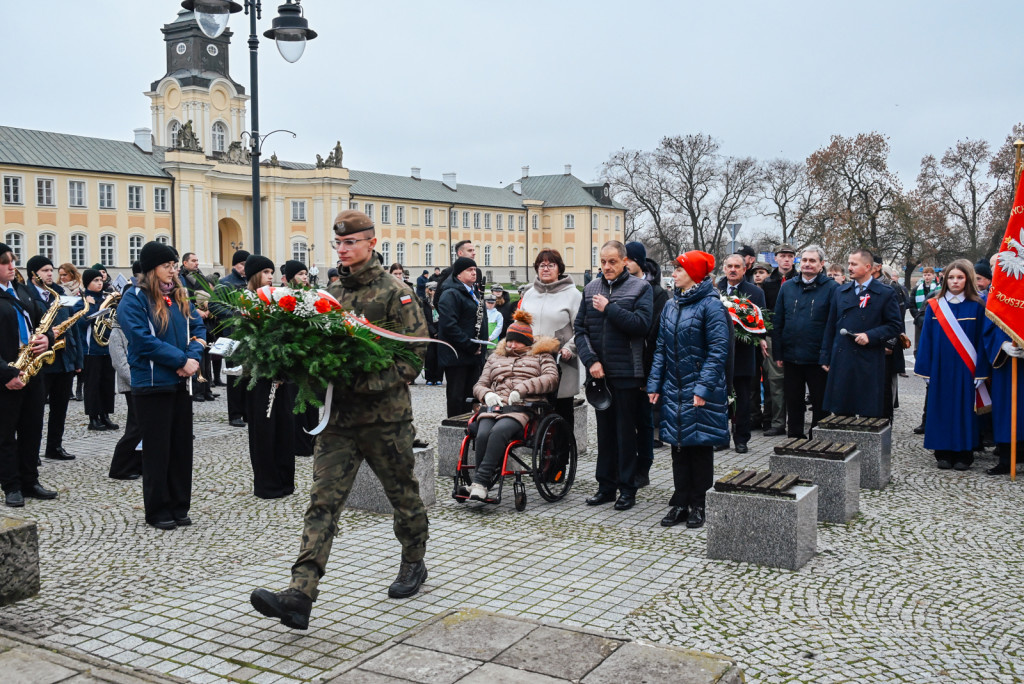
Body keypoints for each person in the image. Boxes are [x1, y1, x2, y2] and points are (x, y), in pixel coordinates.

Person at [249, 209, 430, 631]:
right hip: (338, 422)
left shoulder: (396, 293)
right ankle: (300, 594)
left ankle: (414, 561)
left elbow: (414, 357)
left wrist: (361, 379)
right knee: (322, 502)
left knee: (403, 496)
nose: (343, 250)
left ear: (371, 243)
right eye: (339, 243)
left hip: (386, 421)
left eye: (351, 242)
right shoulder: (329, 292)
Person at [116, 241, 205, 528]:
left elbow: (198, 328)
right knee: (157, 451)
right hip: (152, 384)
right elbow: (143, 341)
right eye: (167, 266)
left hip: (180, 383)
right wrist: (180, 360)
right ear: (152, 268)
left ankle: (180, 505)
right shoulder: (135, 298)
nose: (172, 271)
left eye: (174, 265)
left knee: (181, 448)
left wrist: (192, 357)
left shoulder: (180, 295)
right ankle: (158, 509)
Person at [647, 250, 729, 529]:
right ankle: (680, 501)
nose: (674, 274)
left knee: (700, 446)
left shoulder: (711, 305)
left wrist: (703, 388)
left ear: (694, 274)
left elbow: (718, 350)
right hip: (674, 386)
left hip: (700, 388)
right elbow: (661, 348)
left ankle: (700, 503)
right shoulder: (672, 305)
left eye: (679, 270)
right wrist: (655, 384)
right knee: (678, 444)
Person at [575, 240, 653, 511]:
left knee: (625, 434)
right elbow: (580, 330)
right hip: (599, 373)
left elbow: (641, 326)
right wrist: (591, 360)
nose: (607, 267)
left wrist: (609, 308)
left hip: (627, 373)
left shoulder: (640, 288)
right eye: (603, 262)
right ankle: (605, 486)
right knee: (605, 434)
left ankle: (627, 488)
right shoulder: (590, 288)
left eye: (612, 262)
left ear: (624, 262)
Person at [466, 311, 560, 500]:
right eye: (509, 340)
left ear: (527, 342)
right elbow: (480, 384)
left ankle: (480, 482)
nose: (511, 345)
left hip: (523, 407)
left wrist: (523, 388)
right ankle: (481, 482)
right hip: (494, 406)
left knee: (499, 432)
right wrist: (487, 394)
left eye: (517, 341)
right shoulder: (495, 358)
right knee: (483, 433)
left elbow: (551, 378)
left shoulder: (542, 356)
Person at [0, 243, 58, 508]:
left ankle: (30, 480)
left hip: (32, 371)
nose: (12, 266)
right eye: (4, 262)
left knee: (32, 428)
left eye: (12, 260)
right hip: (7, 376)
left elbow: (42, 324)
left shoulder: (22, 291)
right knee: (5, 434)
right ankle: (11, 486)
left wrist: (47, 339)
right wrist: (7, 373)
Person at [915, 260, 986, 470]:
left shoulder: (978, 306)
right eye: (951, 277)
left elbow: (983, 340)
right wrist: (925, 369)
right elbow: (926, 338)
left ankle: (964, 453)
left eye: (960, 277)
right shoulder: (934, 306)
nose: (955, 281)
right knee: (941, 408)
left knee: (964, 409)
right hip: (940, 368)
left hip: (967, 368)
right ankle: (943, 452)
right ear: (945, 279)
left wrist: (981, 370)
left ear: (968, 279)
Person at [820, 249, 903, 418]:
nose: (849, 267)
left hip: (869, 359)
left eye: (853, 264)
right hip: (843, 357)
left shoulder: (885, 293)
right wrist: (825, 355)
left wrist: (870, 335)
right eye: (848, 263)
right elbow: (831, 326)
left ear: (867, 267)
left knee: (869, 411)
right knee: (842, 410)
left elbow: (894, 325)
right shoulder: (840, 291)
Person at [243, 254, 298, 499]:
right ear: (255, 275)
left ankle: (285, 480)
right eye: (266, 272)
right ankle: (267, 483)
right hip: (260, 377)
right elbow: (249, 342)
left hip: (282, 374)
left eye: (271, 272)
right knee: (265, 431)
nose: (270, 277)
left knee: (285, 428)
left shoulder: (276, 299)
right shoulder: (246, 301)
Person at [772, 246, 838, 438]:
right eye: (805, 260)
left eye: (812, 261)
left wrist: (828, 355)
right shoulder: (788, 287)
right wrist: (779, 352)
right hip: (791, 356)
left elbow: (833, 324)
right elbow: (778, 321)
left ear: (821, 264)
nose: (807, 264)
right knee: (793, 401)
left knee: (820, 402)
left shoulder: (832, 288)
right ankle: (794, 437)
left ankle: (818, 438)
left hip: (818, 357)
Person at [25, 256, 83, 461]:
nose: (50, 274)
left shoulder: (60, 294)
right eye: (45, 270)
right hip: (41, 361)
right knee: (35, 411)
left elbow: (72, 327)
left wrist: (78, 361)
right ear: (34, 274)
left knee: (60, 408)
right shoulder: (26, 295)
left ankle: (54, 446)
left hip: (64, 358)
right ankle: (32, 451)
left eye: (51, 270)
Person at [518, 249, 583, 428]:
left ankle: (564, 453)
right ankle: (542, 452)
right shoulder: (529, 293)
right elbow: (520, 324)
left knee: (561, 414)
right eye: (541, 265)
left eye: (550, 265)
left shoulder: (573, 295)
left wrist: (570, 349)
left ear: (559, 269)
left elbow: (582, 329)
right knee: (534, 413)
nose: (545, 269)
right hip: (532, 363)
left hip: (561, 363)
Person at [624, 241, 668, 483]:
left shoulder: (657, 293)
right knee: (626, 423)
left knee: (644, 420)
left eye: (628, 259)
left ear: (638, 263)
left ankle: (644, 468)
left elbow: (654, 332)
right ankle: (628, 467)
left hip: (645, 363)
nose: (624, 264)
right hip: (622, 364)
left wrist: (649, 374)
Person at [717, 254, 768, 452]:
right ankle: (720, 437)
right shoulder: (715, 289)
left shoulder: (754, 292)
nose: (733, 269)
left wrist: (756, 334)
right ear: (723, 267)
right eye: (729, 266)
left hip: (745, 352)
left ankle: (741, 439)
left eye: (737, 266)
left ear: (744, 269)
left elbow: (762, 322)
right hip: (720, 353)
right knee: (720, 398)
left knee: (743, 399)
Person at [437, 257, 485, 416]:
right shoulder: (450, 293)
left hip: (471, 355)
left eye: (474, 269)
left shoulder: (472, 291)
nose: (474, 273)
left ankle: (467, 429)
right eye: (469, 270)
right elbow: (449, 325)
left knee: (470, 398)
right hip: (457, 355)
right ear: (458, 274)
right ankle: (454, 429)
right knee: (457, 398)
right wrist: (470, 345)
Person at [282, 260, 319, 458]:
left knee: (312, 400)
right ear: (290, 278)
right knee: (296, 400)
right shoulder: (284, 298)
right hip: (294, 357)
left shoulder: (313, 295)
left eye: (305, 273)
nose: (305, 277)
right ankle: (299, 443)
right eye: (300, 274)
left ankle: (314, 440)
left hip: (311, 356)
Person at [760, 245, 797, 435]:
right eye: (783, 256)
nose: (786, 260)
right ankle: (777, 421)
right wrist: (762, 337)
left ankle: (796, 422)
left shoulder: (799, 281)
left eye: (790, 256)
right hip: (774, 336)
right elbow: (763, 312)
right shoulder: (768, 283)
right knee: (774, 382)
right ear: (776, 259)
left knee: (796, 382)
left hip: (796, 337)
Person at [80, 268, 118, 432]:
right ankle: (93, 417)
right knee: (92, 384)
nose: (99, 283)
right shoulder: (82, 301)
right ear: (87, 283)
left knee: (107, 383)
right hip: (91, 350)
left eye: (100, 280)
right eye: (95, 280)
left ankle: (105, 415)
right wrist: (92, 309)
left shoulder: (105, 299)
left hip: (107, 348)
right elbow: (80, 323)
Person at [107, 317, 143, 480]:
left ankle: (136, 463)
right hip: (132, 384)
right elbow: (120, 363)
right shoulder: (116, 332)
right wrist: (136, 381)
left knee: (140, 426)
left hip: (142, 382)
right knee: (136, 427)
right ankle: (119, 467)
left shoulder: (136, 326)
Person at [218, 250, 250, 428]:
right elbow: (215, 306)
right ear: (234, 265)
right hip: (232, 336)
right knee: (234, 374)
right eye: (241, 264)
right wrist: (234, 315)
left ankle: (247, 411)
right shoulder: (225, 283)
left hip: (250, 337)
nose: (244, 268)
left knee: (248, 374)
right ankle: (235, 414)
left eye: (247, 264)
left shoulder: (251, 283)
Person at [421, 281, 444, 385]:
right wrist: (433, 331)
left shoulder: (441, 302)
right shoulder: (425, 303)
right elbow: (424, 319)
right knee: (430, 356)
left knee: (440, 355)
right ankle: (429, 378)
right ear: (429, 291)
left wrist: (439, 331)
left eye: (436, 289)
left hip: (440, 330)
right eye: (433, 290)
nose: (435, 291)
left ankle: (439, 377)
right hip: (429, 332)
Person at [912, 267, 939, 350]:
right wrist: (918, 316)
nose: (927, 277)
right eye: (925, 275)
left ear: (933, 275)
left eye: (929, 275)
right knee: (920, 343)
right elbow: (912, 305)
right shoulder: (916, 289)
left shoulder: (938, 288)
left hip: (935, 318)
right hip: (920, 319)